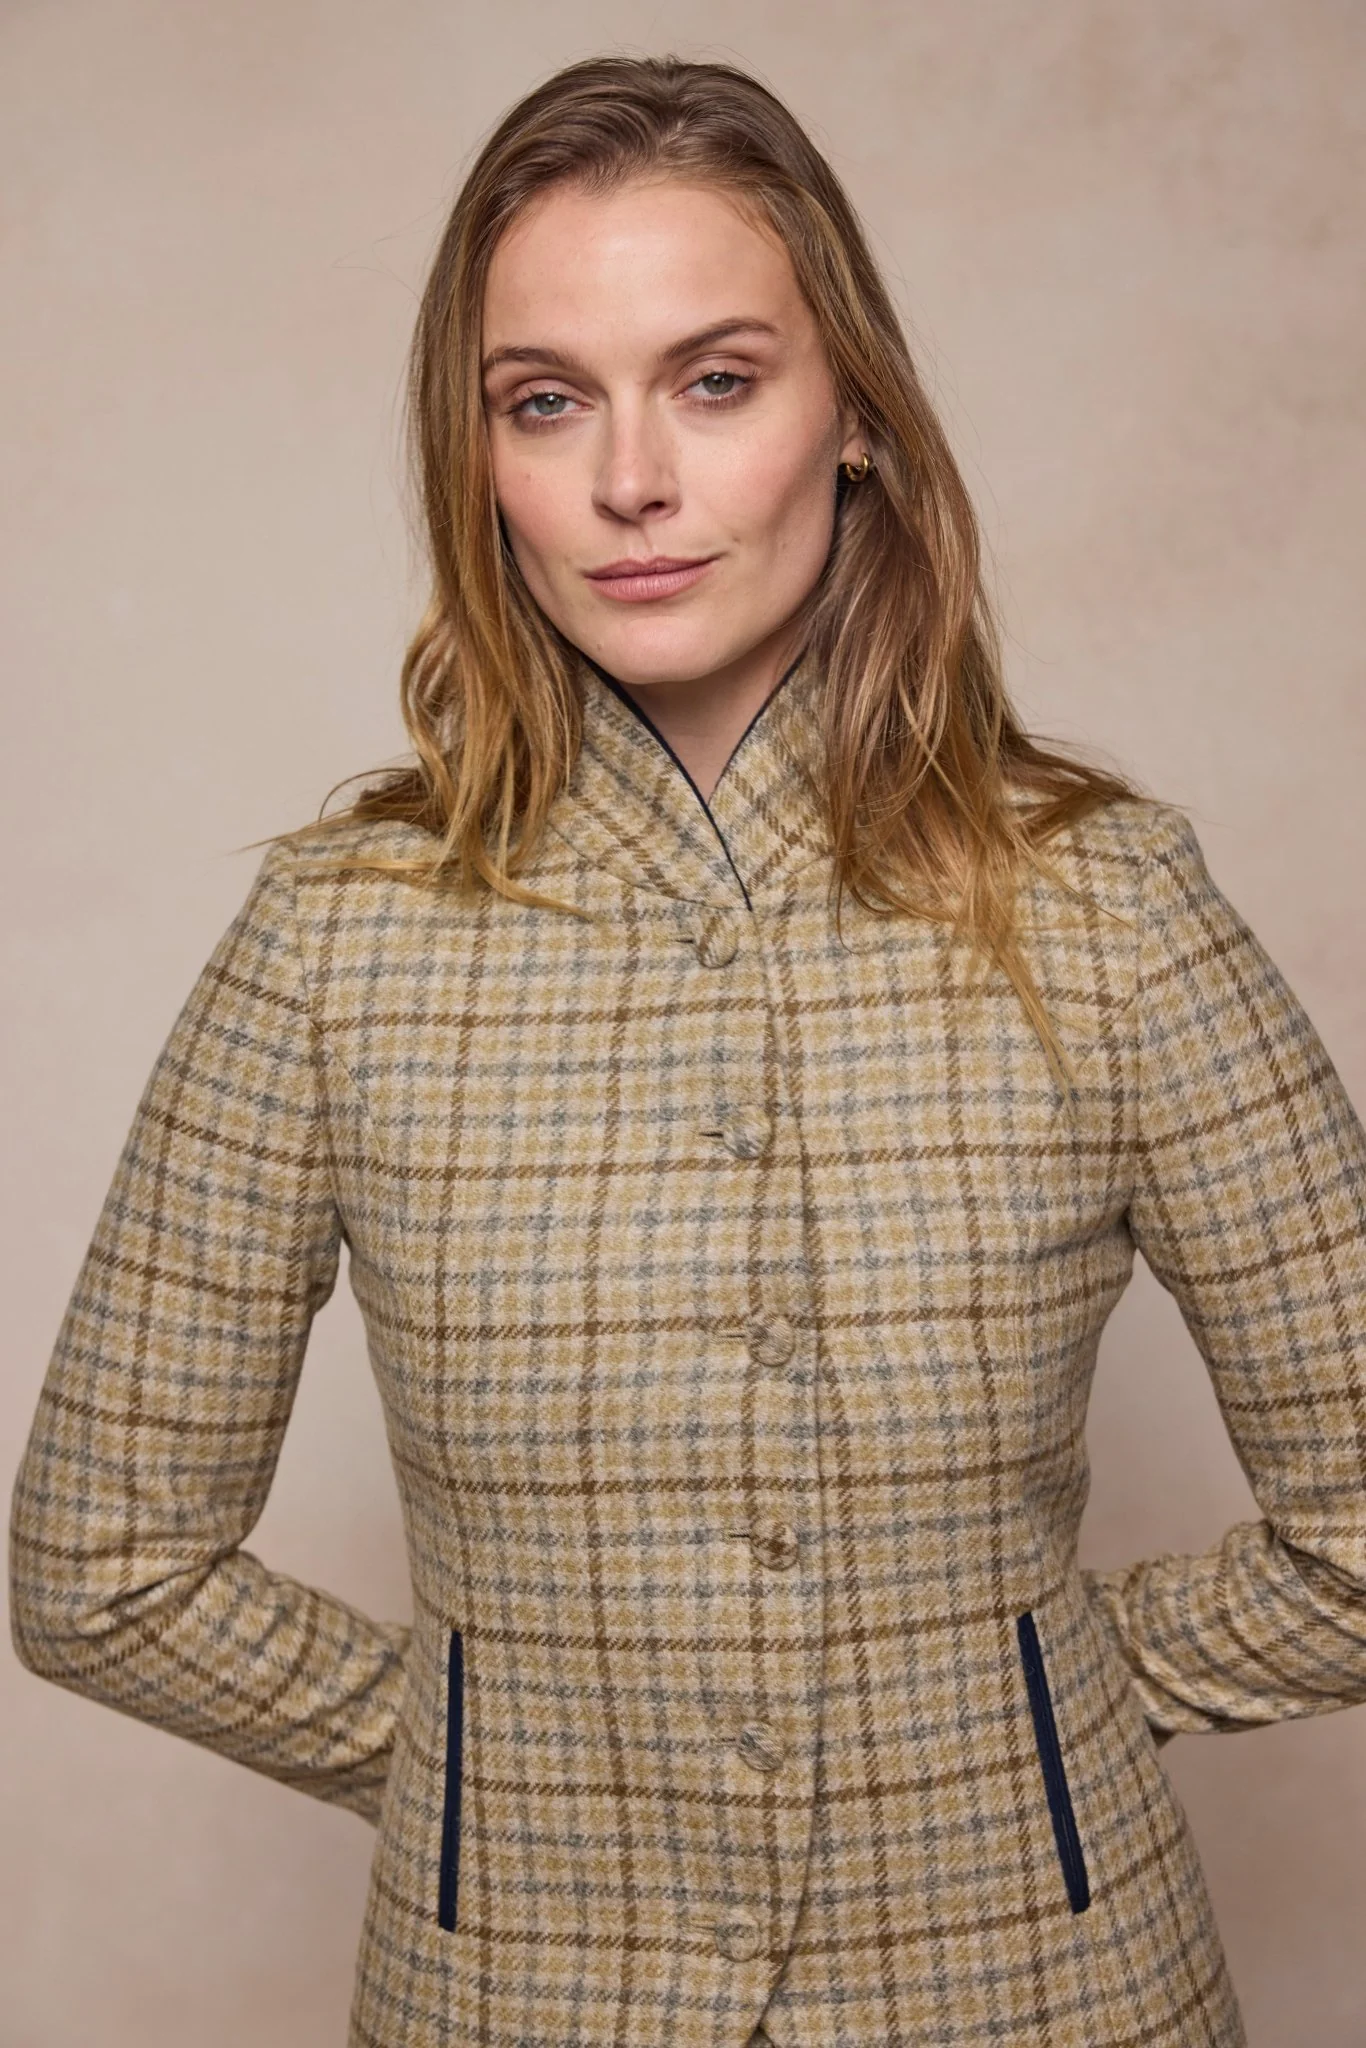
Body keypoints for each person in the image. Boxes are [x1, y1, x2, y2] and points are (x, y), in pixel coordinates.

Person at [9, 51, 1366, 2048]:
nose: (626, 480)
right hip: (513, 2001)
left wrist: (1035, 1700)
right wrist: (482, 1758)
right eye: (545, 400)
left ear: (854, 419)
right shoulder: (335, 938)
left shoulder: (1106, 908)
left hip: (1051, 1996)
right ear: (479, 455)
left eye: (714, 381)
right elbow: (102, 1562)